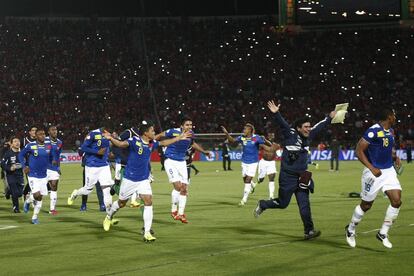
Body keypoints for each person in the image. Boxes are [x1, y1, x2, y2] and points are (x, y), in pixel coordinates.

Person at [254, 100, 337, 240]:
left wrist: (329, 117)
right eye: (305, 127)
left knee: (304, 204)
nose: (308, 129)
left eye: (309, 127)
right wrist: (276, 113)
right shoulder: (290, 134)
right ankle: (263, 204)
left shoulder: (309, 135)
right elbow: (282, 124)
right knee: (283, 203)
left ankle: (309, 231)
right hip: (288, 176)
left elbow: (320, 126)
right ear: (298, 128)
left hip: (303, 176)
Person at [102, 121, 192, 242]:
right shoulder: (134, 141)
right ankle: (108, 216)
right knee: (121, 203)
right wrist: (111, 138)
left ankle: (147, 232)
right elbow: (121, 144)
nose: (154, 133)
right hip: (130, 179)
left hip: (143, 179)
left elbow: (164, 142)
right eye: (152, 131)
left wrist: (179, 138)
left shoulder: (152, 143)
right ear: (145, 133)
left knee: (148, 202)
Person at [345, 109, 402, 249]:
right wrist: (371, 168)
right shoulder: (373, 130)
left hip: (388, 171)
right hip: (373, 173)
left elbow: (386, 148)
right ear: (389, 116)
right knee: (366, 205)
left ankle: (383, 233)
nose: (395, 117)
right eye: (394, 115)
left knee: (396, 201)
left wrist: (394, 157)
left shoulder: (390, 132)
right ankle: (351, 229)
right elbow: (359, 150)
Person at [155, 117, 211, 223]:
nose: (189, 127)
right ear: (182, 126)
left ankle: (181, 214)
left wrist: (204, 152)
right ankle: (173, 210)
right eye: (187, 125)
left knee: (184, 189)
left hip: (182, 162)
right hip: (170, 160)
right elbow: (157, 137)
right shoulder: (173, 131)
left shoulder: (191, 134)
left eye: (191, 125)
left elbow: (192, 143)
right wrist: (152, 143)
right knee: (178, 187)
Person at [67, 127, 114, 217]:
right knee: (87, 190)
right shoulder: (93, 134)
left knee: (106, 190)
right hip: (92, 166)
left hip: (104, 166)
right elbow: (84, 147)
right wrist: (97, 152)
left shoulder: (108, 136)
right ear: (105, 130)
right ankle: (75, 193)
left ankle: (109, 216)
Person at [222, 123, 272, 206]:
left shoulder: (256, 138)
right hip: (244, 162)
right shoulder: (242, 137)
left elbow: (270, 145)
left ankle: (244, 200)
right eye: (244, 129)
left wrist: (265, 140)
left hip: (253, 162)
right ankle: (252, 185)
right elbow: (232, 141)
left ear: (250, 130)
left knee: (247, 180)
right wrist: (226, 133)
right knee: (245, 180)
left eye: (245, 129)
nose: (243, 130)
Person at [19, 128, 59, 224]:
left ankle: (32, 211)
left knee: (40, 197)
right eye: (40, 134)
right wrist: (24, 166)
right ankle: (33, 214)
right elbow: (20, 155)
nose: (43, 136)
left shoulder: (48, 146)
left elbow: (53, 154)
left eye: (44, 134)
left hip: (43, 175)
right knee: (37, 195)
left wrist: (54, 160)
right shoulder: (31, 145)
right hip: (32, 174)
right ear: (36, 136)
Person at [78, 146, 105, 212]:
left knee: (99, 187)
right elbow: (80, 153)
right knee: (86, 187)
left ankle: (102, 205)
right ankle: (83, 205)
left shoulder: (98, 145)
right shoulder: (86, 145)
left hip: (97, 168)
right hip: (87, 168)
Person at [1, 137, 24, 212]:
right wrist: (9, 168)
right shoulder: (8, 153)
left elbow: (27, 162)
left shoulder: (23, 153)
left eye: (18, 141)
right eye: (15, 141)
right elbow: (2, 163)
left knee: (20, 193)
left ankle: (8, 191)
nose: (17, 143)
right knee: (15, 192)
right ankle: (16, 208)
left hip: (20, 175)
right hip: (11, 175)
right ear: (11, 143)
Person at [46, 126, 63, 215]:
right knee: (40, 191)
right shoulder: (44, 141)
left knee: (54, 186)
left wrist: (58, 167)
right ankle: (29, 200)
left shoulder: (59, 142)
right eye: (52, 130)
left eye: (56, 130)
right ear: (49, 132)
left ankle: (52, 209)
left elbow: (58, 156)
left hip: (54, 168)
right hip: (43, 167)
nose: (55, 131)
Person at [22, 126, 37, 201]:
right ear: (30, 132)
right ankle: (27, 195)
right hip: (28, 165)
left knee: (37, 183)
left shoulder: (40, 140)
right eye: (33, 130)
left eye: (35, 130)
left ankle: (26, 193)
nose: (34, 132)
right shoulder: (25, 140)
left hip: (38, 165)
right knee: (31, 182)